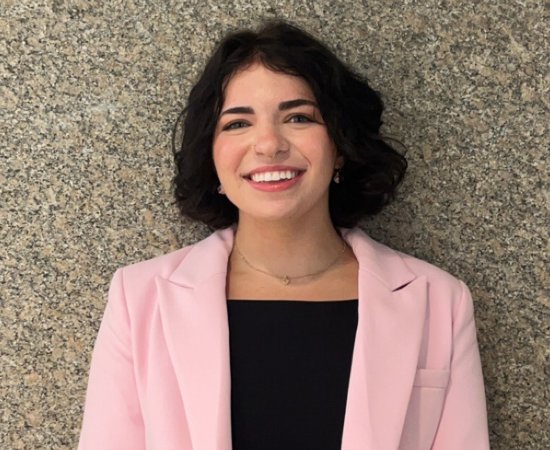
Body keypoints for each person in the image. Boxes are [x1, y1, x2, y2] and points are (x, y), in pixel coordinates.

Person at [78, 20, 490, 450]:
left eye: (298, 117)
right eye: (238, 124)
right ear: (211, 158)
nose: (268, 144)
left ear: (340, 149)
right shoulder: (139, 299)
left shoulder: (439, 302)